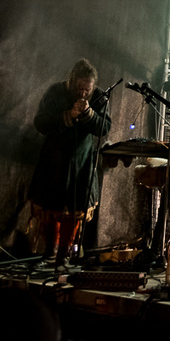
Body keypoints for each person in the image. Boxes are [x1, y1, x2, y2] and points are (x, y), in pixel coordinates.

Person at [30, 58, 111, 270]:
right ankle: (50, 252)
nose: (83, 93)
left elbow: (104, 127)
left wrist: (90, 115)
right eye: (80, 88)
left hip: (81, 162)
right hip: (53, 159)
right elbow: (40, 121)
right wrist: (67, 115)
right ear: (72, 81)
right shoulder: (55, 92)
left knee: (74, 210)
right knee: (50, 208)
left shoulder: (99, 96)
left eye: (88, 89)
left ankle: (63, 255)